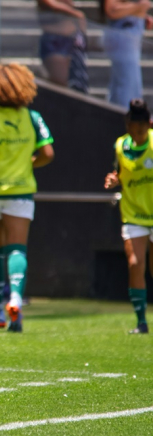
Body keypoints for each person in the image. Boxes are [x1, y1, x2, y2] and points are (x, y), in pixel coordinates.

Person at [0, 63, 55, 332]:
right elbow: (48, 154)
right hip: (20, 190)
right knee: (17, 249)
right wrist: (29, 162)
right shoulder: (33, 117)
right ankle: (16, 297)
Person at [104, 99, 153, 334]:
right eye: (134, 128)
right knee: (135, 263)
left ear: (149, 124)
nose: (137, 133)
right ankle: (141, 322)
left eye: (142, 129)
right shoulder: (120, 146)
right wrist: (115, 180)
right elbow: (119, 174)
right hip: (133, 213)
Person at [101, 0, 152, 108]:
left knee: (125, 87)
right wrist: (139, 7)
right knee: (127, 89)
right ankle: (124, 122)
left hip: (131, 39)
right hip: (122, 37)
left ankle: (116, 121)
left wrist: (142, 18)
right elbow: (112, 10)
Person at [36, 0, 89, 92]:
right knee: (59, 86)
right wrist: (75, 13)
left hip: (72, 41)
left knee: (76, 84)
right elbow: (48, 3)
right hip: (55, 42)